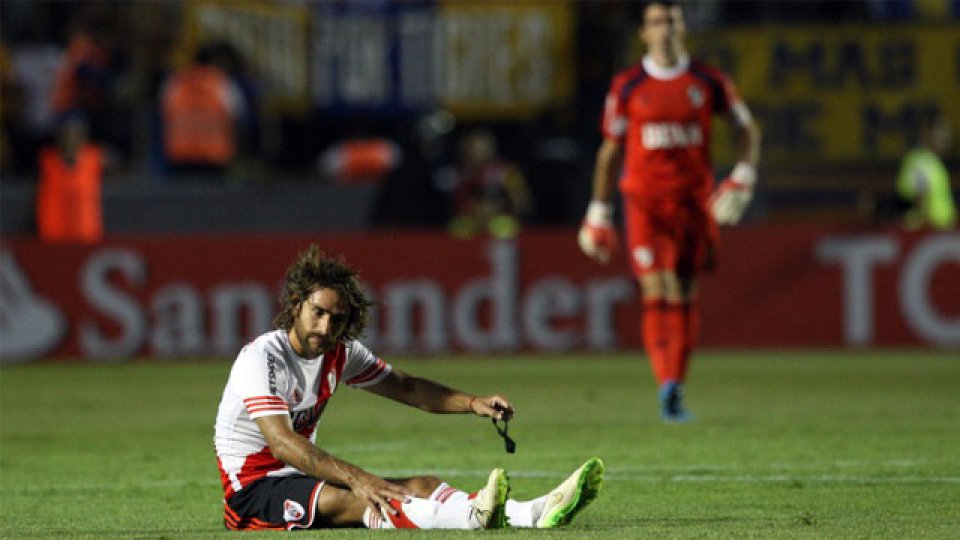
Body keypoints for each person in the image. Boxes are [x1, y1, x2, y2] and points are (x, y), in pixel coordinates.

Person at [214, 245, 604, 530]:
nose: (325, 328)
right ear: (296, 304)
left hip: (301, 477)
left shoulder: (340, 352)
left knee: (423, 485)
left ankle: (533, 513)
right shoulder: (263, 357)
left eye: (336, 319)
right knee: (355, 497)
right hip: (253, 491)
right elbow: (282, 444)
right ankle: (473, 519)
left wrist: (473, 403)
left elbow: (408, 387)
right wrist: (357, 477)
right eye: (318, 313)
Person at [577, 1, 761, 422]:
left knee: (684, 292)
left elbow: (746, 129)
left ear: (684, 27)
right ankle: (666, 385)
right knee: (656, 289)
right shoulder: (627, 85)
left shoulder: (708, 80)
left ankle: (675, 384)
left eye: (672, 21)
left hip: (693, 204)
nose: (666, 30)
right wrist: (598, 212)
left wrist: (743, 178)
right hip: (644, 203)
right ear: (643, 32)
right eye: (657, 22)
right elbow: (610, 151)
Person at [437, 129, 531, 239]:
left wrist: (494, 211)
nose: (475, 151)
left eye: (481, 146)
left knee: (505, 229)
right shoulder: (454, 173)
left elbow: (522, 204)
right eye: (471, 146)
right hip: (468, 225)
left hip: (499, 223)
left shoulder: (506, 172)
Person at [35, 112, 105, 243]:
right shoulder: (46, 160)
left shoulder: (94, 158)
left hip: (87, 236)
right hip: (52, 237)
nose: (70, 140)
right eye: (66, 134)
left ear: (83, 137)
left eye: (75, 135)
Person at [896, 115, 956, 230]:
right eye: (940, 135)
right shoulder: (921, 161)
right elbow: (921, 195)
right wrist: (926, 225)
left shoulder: (932, 161)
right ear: (927, 135)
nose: (945, 140)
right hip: (927, 229)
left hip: (937, 230)